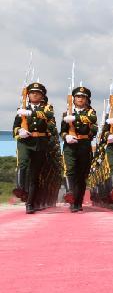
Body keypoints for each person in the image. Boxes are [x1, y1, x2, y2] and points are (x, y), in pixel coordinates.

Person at [13, 82, 57, 214]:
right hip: (25, 142)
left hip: (40, 143)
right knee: (23, 163)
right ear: (28, 95)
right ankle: (20, 188)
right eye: (32, 93)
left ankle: (30, 203)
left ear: (42, 96)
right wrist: (19, 131)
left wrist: (31, 113)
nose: (34, 94)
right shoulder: (21, 109)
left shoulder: (47, 108)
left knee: (35, 175)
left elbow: (50, 123)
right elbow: (15, 126)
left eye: (38, 93)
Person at [60, 86, 97, 212]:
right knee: (70, 170)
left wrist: (75, 118)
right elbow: (62, 131)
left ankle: (78, 201)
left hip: (84, 145)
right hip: (70, 146)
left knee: (81, 175)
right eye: (77, 96)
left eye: (83, 97)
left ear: (87, 99)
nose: (80, 99)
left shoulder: (91, 112)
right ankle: (70, 195)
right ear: (73, 99)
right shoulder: (66, 113)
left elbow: (93, 123)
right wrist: (66, 136)